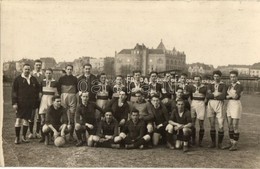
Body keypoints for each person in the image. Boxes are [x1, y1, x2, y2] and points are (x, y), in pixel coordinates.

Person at [12, 64, 40, 144]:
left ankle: (23, 137)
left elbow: (37, 89)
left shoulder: (33, 79)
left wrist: (35, 99)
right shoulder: (17, 79)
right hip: (20, 104)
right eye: (25, 69)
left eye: (28, 69)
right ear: (22, 70)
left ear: (30, 70)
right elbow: (14, 92)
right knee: (18, 120)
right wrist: (14, 103)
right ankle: (17, 138)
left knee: (26, 120)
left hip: (30, 104)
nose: (27, 71)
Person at [222, 70, 243, 151]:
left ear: (237, 77)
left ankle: (235, 144)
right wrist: (230, 95)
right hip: (230, 105)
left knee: (235, 125)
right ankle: (231, 142)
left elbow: (236, 97)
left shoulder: (239, 86)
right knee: (229, 125)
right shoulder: (229, 85)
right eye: (231, 77)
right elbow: (225, 96)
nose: (232, 78)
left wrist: (228, 96)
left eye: (234, 77)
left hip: (236, 105)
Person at [206, 70, 227, 148]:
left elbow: (223, 96)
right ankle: (213, 142)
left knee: (221, 124)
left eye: (217, 76)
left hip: (220, 104)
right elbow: (207, 96)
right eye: (214, 76)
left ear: (220, 77)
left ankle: (220, 143)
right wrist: (217, 95)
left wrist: (213, 95)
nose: (216, 78)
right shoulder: (210, 85)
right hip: (211, 104)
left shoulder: (223, 85)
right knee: (212, 124)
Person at [57, 65, 78, 141]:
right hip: (63, 96)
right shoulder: (61, 79)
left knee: (72, 116)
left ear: (72, 70)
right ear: (65, 70)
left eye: (70, 69)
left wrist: (72, 94)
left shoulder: (75, 79)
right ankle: (63, 133)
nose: (69, 70)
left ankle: (71, 135)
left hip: (72, 97)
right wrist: (62, 95)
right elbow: (58, 88)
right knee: (64, 116)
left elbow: (77, 89)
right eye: (68, 69)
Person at [38, 68, 58, 142]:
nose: (48, 74)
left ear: (52, 74)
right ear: (45, 74)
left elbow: (56, 94)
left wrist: (54, 103)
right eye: (47, 73)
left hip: (51, 101)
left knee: (52, 119)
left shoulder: (55, 82)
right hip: (43, 102)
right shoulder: (42, 82)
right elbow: (40, 93)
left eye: (49, 73)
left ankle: (52, 136)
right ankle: (43, 137)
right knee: (42, 120)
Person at [29, 59, 45, 139]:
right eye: (37, 65)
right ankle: (31, 133)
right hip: (32, 98)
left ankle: (38, 132)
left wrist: (41, 93)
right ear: (34, 66)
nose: (38, 66)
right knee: (31, 116)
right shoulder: (30, 74)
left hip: (41, 98)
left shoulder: (44, 75)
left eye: (39, 65)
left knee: (39, 116)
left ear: (41, 66)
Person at [190, 75, 207, 146]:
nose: (197, 81)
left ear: (201, 80)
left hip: (201, 104)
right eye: (195, 80)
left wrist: (203, 103)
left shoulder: (204, 87)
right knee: (192, 122)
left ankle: (200, 141)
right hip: (194, 103)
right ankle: (193, 139)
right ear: (193, 80)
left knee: (201, 123)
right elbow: (191, 97)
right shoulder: (191, 87)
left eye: (198, 80)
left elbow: (207, 97)